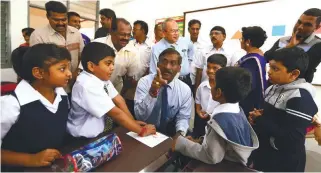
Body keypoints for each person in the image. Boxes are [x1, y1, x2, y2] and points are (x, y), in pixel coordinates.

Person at [1, 44, 72, 171]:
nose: (69, 74)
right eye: (62, 69)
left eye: (68, 67)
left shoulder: (62, 95)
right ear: (39, 73)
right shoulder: (12, 104)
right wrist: (31, 159)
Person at [67, 42, 156, 138]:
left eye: (113, 63)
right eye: (108, 63)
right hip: (83, 138)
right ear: (91, 66)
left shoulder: (101, 78)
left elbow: (119, 101)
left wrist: (132, 122)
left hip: (101, 132)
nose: (112, 68)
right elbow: (115, 113)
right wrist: (141, 131)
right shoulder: (86, 85)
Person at [172, 67, 258, 165]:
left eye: (213, 83)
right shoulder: (238, 111)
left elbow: (211, 156)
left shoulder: (219, 121)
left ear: (218, 93)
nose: (210, 86)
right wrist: (198, 141)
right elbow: (221, 142)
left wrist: (181, 144)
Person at [250, 47, 318, 172]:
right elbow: (272, 117)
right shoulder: (272, 88)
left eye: (275, 69)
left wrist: (261, 120)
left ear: (294, 74)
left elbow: (292, 138)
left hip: (284, 161)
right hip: (265, 155)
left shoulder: (300, 97)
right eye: (270, 67)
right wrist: (256, 117)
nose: (269, 72)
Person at [29, 1, 84, 94]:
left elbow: (83, 55)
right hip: (52, 88)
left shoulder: (76, 33)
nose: (61, 23)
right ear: (48, 17)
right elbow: (39, 64)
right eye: (56, 20)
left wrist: (77, 72)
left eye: (64, 19)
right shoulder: (38, 35)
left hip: (75, 83)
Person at [135, 48, 192, 137]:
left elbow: (183, 118)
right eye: (164, 62)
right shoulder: (144, 82)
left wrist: (179, 135)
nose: (167, 67)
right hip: (145, 130)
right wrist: (151, 93)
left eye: (173, 63)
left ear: (179, 68)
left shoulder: (185, 90)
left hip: (170, 132)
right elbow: (139, 116)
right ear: (157, 65)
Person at [93, 18, 142, 117]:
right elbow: (83, 71)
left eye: (129, 35)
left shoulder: (133, 52)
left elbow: (130, 80)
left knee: (113, 120)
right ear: (111, 31)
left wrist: (120, 95)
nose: (126, 38)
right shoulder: (96, 44)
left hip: (115, 89)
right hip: (93, 89)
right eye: (122, 34)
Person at [265, 8, 321, 83]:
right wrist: (288, 47)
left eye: (307, 24)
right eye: (299, 22)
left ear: (316, 27)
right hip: (272, 87)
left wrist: (290, 48)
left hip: (296, 90)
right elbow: (266, 58)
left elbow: (302, 69)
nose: (300, 27)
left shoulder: (317, 45)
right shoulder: (283, 40)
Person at [150, 18, 195, 90]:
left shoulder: (185, 41)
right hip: (167, 82)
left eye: (177, 30)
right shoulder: (156, 48)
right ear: (164, 33)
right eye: (172, 31)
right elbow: (153, 71)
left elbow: (191, 51)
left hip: (186, 80)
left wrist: (188, 63)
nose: (176, 33)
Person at [237, 26, 267, 117]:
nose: (241, 41)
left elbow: (248, 85)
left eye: (242, 39)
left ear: (248, 42)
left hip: (249, 105)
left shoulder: (253, 60)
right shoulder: (255, 57)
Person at [193, 54, 227, 138]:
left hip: (217, 123)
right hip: (202, 121)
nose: (210, 71)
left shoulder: (225, 89)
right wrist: (199, 112)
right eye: (208, 67)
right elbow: (197, 103)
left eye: (215, 68)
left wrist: (211, 115)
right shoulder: (202, 86)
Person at [194, 26, 232, 93]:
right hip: (205, 88)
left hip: (223, 89)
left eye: (216, 33)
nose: (213, 36)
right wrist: (196, 91)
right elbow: (199, 72)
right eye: (211, 34)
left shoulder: (230, 52)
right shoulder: (203, 51)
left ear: (224, 36)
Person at [188, 19, 203, 89]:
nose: (195, 31)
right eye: (193, 29)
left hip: (198, 80)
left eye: (197, 29)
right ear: (189, 29)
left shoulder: (204, 45)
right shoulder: (183, 43)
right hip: (184, 78)